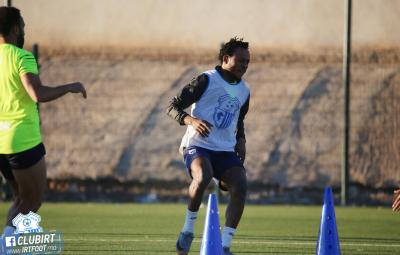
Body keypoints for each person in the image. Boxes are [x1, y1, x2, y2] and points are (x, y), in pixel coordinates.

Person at [0, 6, 86, 236]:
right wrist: (69, 87)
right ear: (16, 29)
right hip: (22, 139)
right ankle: (5, 246)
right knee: (33, 200)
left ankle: (11, 243)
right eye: (23, 26)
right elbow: (36, 94)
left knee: (20, 198)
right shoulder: (22, 56)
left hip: (0, 143)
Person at [166, 37, 250, 255]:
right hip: (198, 145)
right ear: (225, 59)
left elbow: (238, 119)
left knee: (240, 185)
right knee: (203, 176)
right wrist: (192, 121)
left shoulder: (245, 91)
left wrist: (241, 140)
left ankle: (224, 246)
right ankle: (187, 230)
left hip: (224, 150)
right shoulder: (206, 79)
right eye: (240, 60)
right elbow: (172, 107)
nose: (244, 65)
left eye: (247, 62)